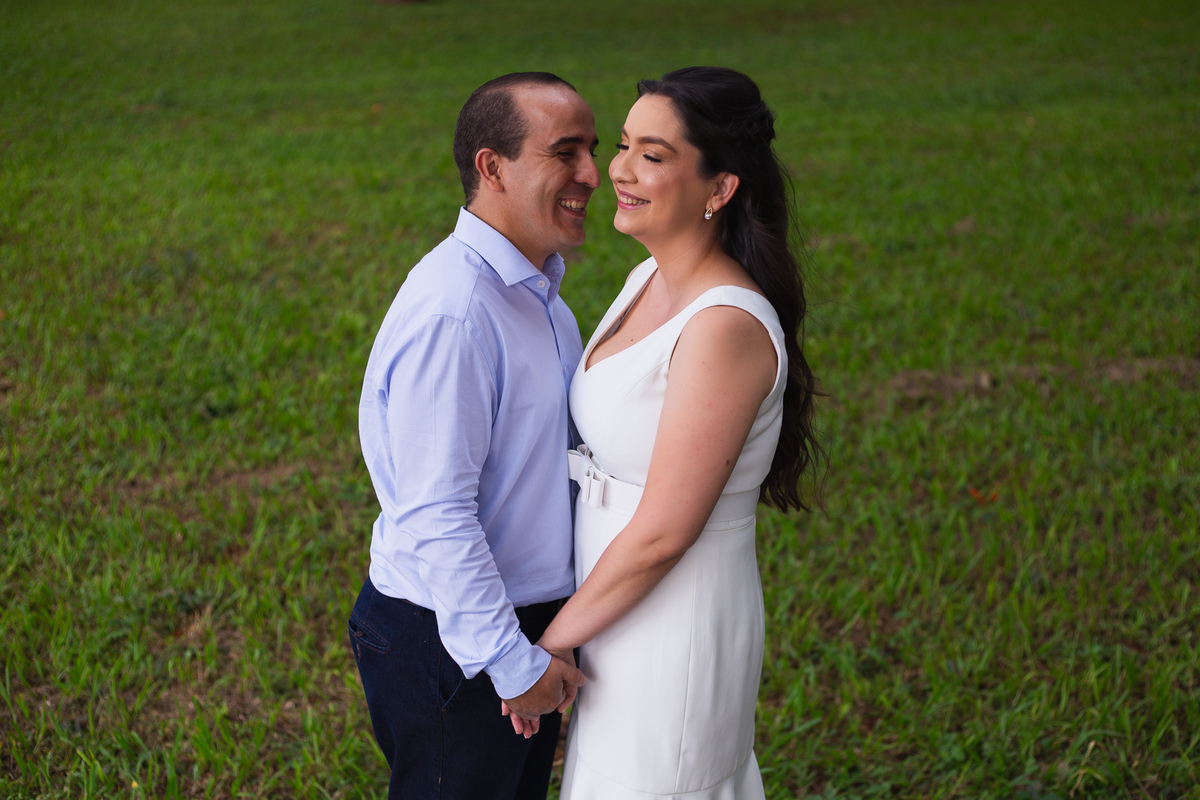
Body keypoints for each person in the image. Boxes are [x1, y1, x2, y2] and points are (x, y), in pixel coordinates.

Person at [527, 67, 823, 799]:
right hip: (613, 606)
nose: (617, 170)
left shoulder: (724, 326)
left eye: (653, 155)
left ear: (720, 189)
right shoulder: (648, 279)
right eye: (623, 145)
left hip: (672, 621)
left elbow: (665, 531)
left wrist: (544, 648)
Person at [348, 72, 600, 800]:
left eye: (591, 148)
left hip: (515, 626)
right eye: (566, 152)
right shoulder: (455, 315)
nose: (593, 174)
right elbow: (437, 513)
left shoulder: (538, 291)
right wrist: (511, 664)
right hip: (452, 640)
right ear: (492, 167)